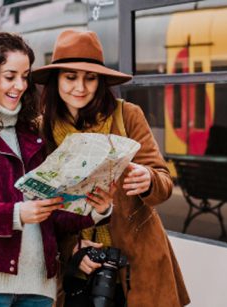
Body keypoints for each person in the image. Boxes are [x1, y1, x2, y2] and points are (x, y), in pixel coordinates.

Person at [0, 32, 111, 307]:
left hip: (36, 290)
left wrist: (96, 210)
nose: (20, 85)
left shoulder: (33, 134)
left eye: (25, 76)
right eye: (10, 76)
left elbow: (50, 214)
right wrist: (15, 214)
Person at [32, 29, 190, 307]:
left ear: (101, 81)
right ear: (56, 79)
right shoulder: (40, 129)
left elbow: (164, 185)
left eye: (90, 78)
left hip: (136, 264)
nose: (80, 87)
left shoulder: (127, 115)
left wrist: (149, 179)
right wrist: (71, 250)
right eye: (70, 77)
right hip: (76, 270)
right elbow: (39, 211)